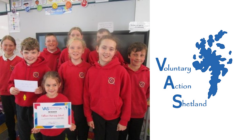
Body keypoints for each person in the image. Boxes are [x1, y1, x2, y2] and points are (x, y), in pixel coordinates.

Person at [84, 35, 131, 140]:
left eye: (111, 49)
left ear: (115, 52)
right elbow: (86, 95)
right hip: (96, 115)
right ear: (97, 49)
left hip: (114, 117)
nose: (107, 51)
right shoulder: (91, 71)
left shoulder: (121, 71)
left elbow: (127, 97)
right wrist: (88, 116)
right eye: (104, 47)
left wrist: (124, 120)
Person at [8, 37, 51, 140]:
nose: (30, 56)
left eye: (33, 52)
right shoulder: (18, 66)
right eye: (26, 52)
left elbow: (50, 85)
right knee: (23, 131)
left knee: (38, 133)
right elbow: (10, 82)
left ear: (38, 53)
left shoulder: (45, 67)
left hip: (37, 106)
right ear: (21, 52)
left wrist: (43, 89)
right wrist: (11, 89)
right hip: (20, 105)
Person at [58, 38, 91, 140]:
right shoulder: (63, 67)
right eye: (72, 48)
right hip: (68, 106)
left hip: (84, 106)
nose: (75, 50)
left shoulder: (88, 67)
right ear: (68, 50)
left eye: (78, 48)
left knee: (83, 132)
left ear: (83, 50)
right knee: (70, 133)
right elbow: (59, 88)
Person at [31, 71, 76, 140]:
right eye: (48, 85)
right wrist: (36, 126)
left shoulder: (63, 99)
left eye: (54, 85)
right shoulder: (40, 100)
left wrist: (71, 123)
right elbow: (36, 115)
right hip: (45, 132)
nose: (51, 88)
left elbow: (69, 113)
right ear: (43, 85)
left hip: (59, 132)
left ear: (59, 85)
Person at [119, 42, 150, 140]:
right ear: (129, 55)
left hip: (138, 113)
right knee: (120, 137)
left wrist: (143, 103)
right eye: (135, 54)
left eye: (142, 55)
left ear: (145, 57)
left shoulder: (148, 73)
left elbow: (147, 92)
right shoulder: (122, 71)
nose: (138, 58)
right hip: (121, 113)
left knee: (135, 137)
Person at [0, 35, 22, 140]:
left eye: (11, 45)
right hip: (4, 94)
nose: (8, 47)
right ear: (1, 46)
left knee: (20, 117)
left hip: (18, 94)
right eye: (5, 45)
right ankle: (11, 136)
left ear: (15, 47)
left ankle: (22, 135)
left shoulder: (20, 61)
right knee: (9, 118)